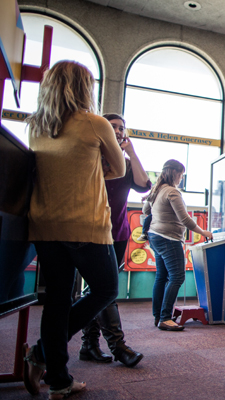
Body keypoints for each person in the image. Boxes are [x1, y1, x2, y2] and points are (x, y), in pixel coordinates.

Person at [23, 61, 125, 399]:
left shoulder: (36, 126)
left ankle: (58, 380)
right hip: (86, 224)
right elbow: (119, 168)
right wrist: (96, 171)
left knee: (56, 301)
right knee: (106, 289)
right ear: (83, 88)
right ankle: (41, 352)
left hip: (44, 226)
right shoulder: (95, 124)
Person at [78, 114, 150, 368]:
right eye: (113, 126)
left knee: (97, 289)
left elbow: (143, 184)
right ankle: (117, 346)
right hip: (90, 230)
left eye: (122, 128)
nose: (119, 131)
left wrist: (131, 151)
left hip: (117, 233)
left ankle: (88, 344)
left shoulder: (126, 162)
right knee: (104, 288)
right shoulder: (90, 154)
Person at [144, 159, 213, 331]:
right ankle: (165, 318)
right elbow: (185, 219)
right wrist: (204, 232)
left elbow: (146, 211)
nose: (181, 178)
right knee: (177, 277)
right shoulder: (172, 192)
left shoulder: (156, 189)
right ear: (174, 172)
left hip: (155, 236)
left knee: (162, 277)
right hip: (169, 238)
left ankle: (158, 316)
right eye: (181, 174)